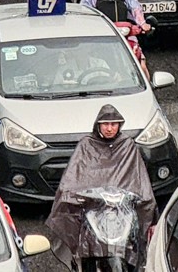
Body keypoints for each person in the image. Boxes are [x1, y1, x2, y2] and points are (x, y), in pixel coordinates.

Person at [46, 105, 154, 271]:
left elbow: (139, 180)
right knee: (87, 244)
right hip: (93, 210)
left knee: (130, 244)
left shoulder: (127, 146)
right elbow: (73, 178)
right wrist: (76, 196)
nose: (109, 128)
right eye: (105, 124)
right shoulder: (86, 145)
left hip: (122, 212)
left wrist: (138, 198)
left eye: (113, 124)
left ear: (119, 125)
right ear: (98, 125)